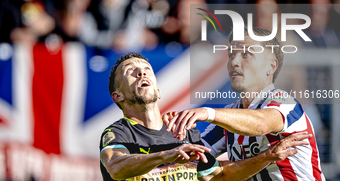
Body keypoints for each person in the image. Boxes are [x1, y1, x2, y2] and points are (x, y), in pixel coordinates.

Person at [100, 52, 312, 181]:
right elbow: (117, 168)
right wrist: (168, 155)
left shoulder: (183, 134)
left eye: (147, 69)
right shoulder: (118, 133)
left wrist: (268, 156)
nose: (142, 73)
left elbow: (220, 176)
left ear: (158, 90)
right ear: (117, 96)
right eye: (131, 71)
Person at [164, 27, 325, 180]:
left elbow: (262, 124)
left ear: (271, 66)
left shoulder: (285, 101)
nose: (234, 61)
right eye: (231, 54)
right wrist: (176, 134)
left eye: (246, 54)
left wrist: (207, 112)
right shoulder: (229, 117)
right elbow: (191, 160)